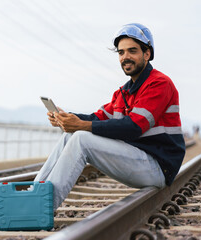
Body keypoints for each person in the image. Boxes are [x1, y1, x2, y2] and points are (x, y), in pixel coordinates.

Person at [35, 23, 186, 210]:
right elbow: (97, 118)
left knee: (81, 138)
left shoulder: (159, 84)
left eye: (132, 51)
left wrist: (80, 126)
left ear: (147, 54)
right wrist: (67, 117)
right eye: (121, 52)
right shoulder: (124, 92)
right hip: (138, 159)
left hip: (157, 167)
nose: (125, 57)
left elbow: (134, 127)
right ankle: (33, 194)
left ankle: (41, 208)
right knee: (70, 135)